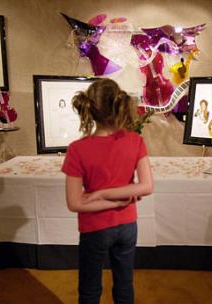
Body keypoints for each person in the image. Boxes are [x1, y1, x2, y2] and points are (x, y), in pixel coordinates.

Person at [62, 78, 154, 304]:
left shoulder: (77, 149)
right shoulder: (135, 140)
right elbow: (147, 186)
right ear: (118, 104)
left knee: (90, 288)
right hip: (127, 226)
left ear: (90, 111)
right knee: (124, 284)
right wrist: (119, 201)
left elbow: (74, 203)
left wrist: (102, 194)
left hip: (95, 228)